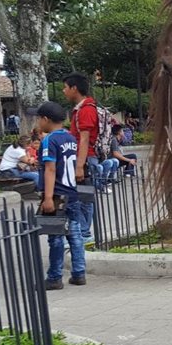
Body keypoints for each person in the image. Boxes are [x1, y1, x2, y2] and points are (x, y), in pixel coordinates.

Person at [32, 102, 86, 289]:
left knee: (55, 235)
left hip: (57, 194)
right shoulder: (70, 137)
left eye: (39, 118)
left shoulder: (49, 140)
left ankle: (54, 276)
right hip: (72, 192)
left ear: (45, 119)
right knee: (75, 233)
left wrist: (47, 198)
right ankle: (79, 273)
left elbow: (50, 168)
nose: (38, 122)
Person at [62, 73, 98, 244]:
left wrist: (79, 166)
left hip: (84, 159)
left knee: (81, 199)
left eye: (65, 87)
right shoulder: (81, 109)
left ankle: (84, 234)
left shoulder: (86, 110)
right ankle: (84, 233)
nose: (64, 91)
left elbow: (84, 139)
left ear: (74, 88)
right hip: (83, 158)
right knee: (81, 198)